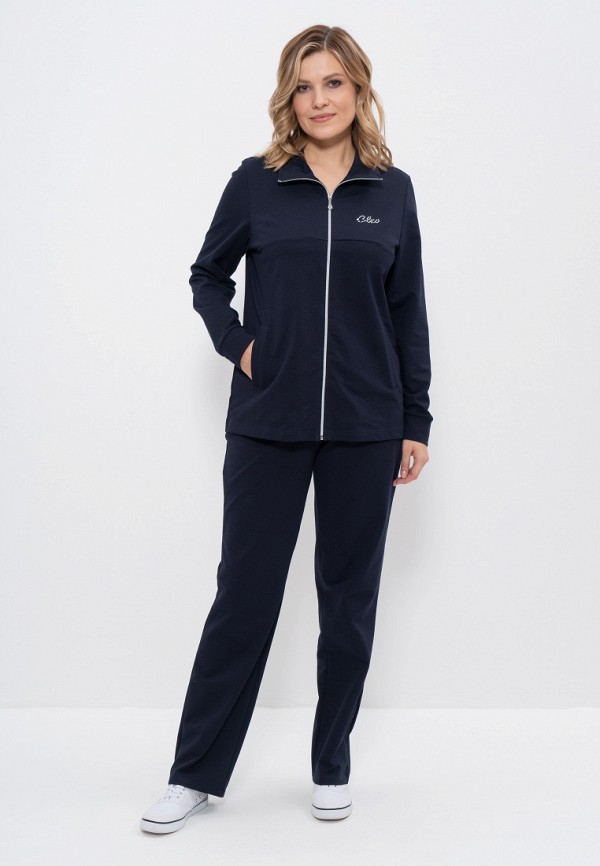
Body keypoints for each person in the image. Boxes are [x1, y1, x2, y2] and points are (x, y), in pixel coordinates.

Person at [140, 22, 432, 833]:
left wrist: (415, 418)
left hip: (368, 424)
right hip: (268, 420)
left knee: (349, 602)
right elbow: (207, 275)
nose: (319, 99)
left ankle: (331, 764)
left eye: (333, 82)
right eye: (304, 86)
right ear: (288, 98)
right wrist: (239, 345)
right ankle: (194, 773)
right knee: (244, 595)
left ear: (358, 89)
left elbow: (408, 310)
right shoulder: (257, 182)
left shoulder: (393, 190)